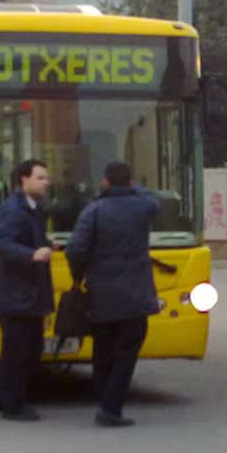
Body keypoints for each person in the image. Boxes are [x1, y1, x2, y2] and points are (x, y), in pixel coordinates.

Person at [66, 161, 160, 428]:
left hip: (101, 294)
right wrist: (134, 187)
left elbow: (75, 249)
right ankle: (110, 407)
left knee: (103, 350)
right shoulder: (143, 207)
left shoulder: (93, 210)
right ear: (130, 183)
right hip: (136, 295)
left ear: (105, 182)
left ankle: (104, 400)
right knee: (126, 353)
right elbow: (151, 198)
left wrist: (80, 275)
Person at [0, 159, 55, 422]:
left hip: (24, 292)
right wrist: (33, 254)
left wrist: (45, 244)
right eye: (41, 178)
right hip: (14, 293)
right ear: (24, 180)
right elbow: (2, 244)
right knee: (20, 350)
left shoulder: (32, 208)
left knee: (24, 348)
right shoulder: (13, 210)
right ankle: (13, 405)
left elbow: (23, 238)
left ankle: (6, 399)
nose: (47, 182)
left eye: (46, 178)